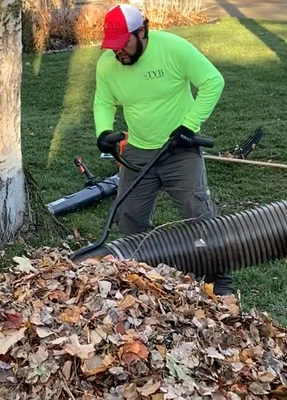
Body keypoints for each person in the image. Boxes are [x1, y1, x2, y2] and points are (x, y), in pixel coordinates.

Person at [92, 4, 232, 296]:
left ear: (141, 31)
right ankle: (146, 270)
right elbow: (104, 101)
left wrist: (189, 125)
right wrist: (103, 131)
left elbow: (212, 81)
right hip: (138, 152)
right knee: (128, 215)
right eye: (113, 46)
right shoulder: (107, 64)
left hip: (178, 150)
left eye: (123, 44)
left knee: (198, 213)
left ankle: (217, 276)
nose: (118, 53)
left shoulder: (172, 48)